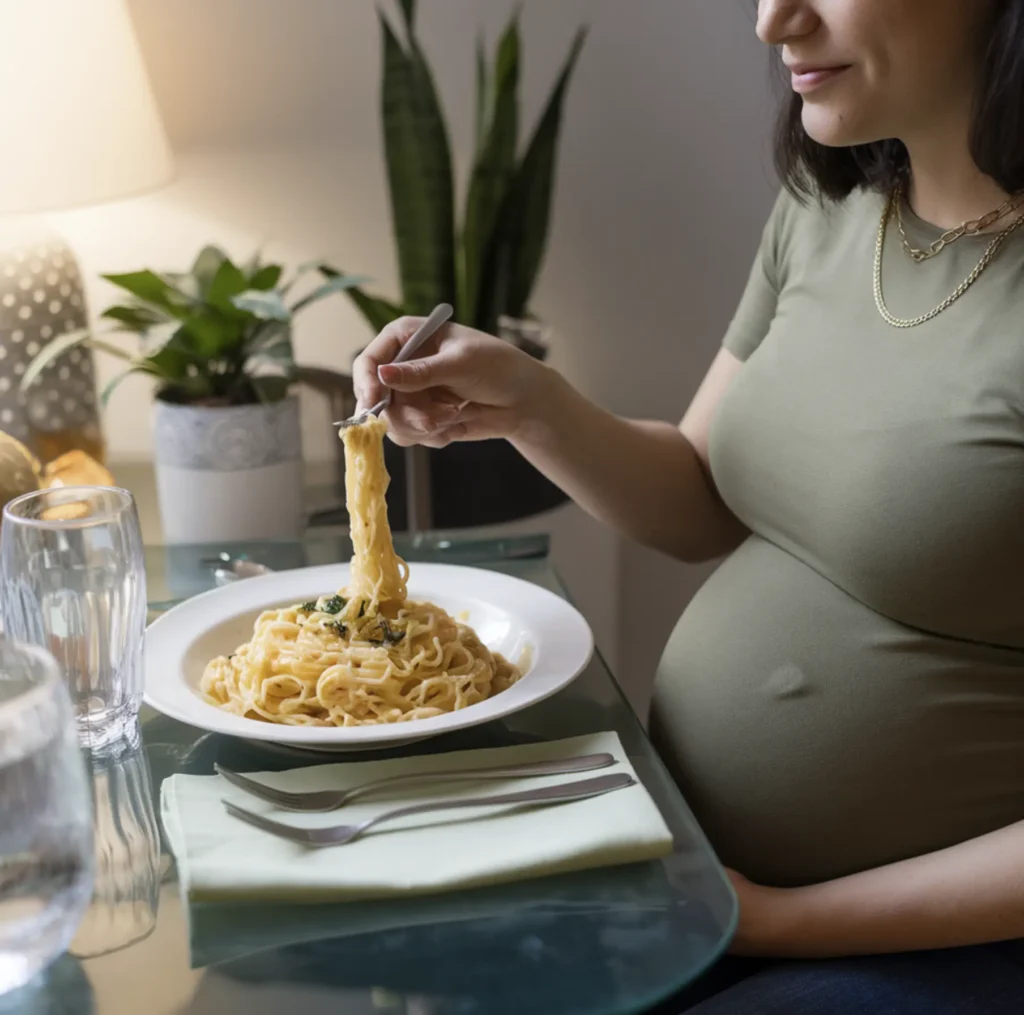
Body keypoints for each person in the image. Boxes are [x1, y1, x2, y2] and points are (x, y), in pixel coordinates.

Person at [352, 1, 1024, 1010]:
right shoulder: (830, 207)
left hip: (917, 946)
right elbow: (699, 501)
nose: (771, 22)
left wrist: (776, 920)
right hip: (701, 874)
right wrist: (528, 400)